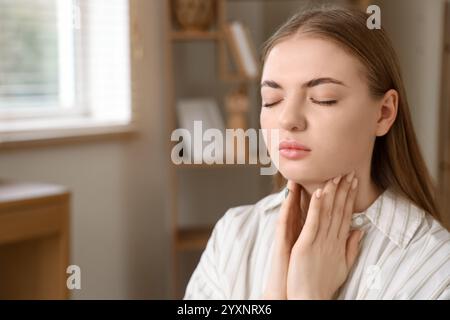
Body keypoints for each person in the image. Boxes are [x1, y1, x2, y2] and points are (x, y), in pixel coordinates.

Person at [183, 5, 450, 300]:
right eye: (272, 100)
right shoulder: (233, 237)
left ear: (383, 113)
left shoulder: (435, 266)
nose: (288, 119)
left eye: (323, 99)